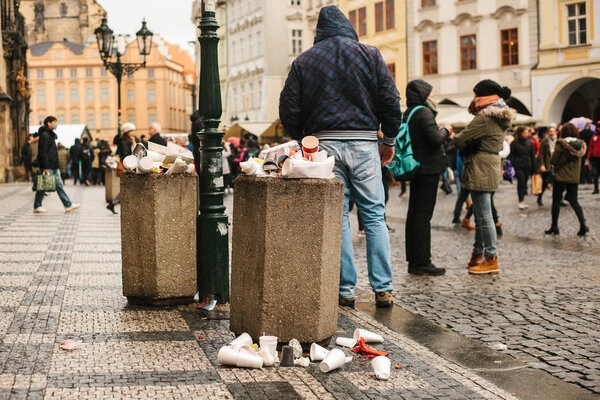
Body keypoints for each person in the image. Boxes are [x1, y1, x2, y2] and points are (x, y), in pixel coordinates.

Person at [279, 6, 400, 308]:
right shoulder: (369, 54)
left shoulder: (304, 61)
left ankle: (345, 289)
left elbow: (289, 108)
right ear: (347, 27)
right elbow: (390, 99)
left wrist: (302, 138)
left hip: (323, 145)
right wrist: (389, 138)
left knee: (339, 216)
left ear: (319, 31)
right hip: (363, 142)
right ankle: (383, 288)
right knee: (374, 214)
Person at [454, 80, 513, 275]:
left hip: (480, 168)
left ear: (483, 97)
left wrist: (466, 140)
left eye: (475, 95)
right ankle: (478, 254)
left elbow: (460, 140)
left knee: (485, 217)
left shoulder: (485, 117)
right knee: (481, 216)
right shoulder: (497, 116)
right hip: (490, 166)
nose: (474, 99)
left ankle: (491, 258)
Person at [403, 80, 452, 276]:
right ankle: (423, 261)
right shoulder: (424, 112)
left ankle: (413, 261)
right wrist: (445, 131)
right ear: (423, 94)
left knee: (414, 214)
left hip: (415, 169)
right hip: (428, 170)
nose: (432, 97)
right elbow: (435, 140)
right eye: (429, 93)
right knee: (423, 216)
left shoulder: (409, 113)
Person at [545, 123, 588, 236]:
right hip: (574, 178)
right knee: (574, 201)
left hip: (560, 177)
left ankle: (554, 226)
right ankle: (582, 223)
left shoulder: (561, 144)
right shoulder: (581, 145)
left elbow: (553, 161)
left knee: (556, 201)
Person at [33, 116, 80, 213]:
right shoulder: (45, 135)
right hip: (49, 165)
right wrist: (45, 167)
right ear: (49, 123)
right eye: (54, 122)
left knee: (50, 185)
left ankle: (38, 205)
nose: (56, 124)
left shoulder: (49, 135)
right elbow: (43, 152)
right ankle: (67, 204)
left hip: (53, 165)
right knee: (45, 185)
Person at [509, 126, 537, 209]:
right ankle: (520, 201)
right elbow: (511, 155)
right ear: (520, 133)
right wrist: (514, 163)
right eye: (525, 133)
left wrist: (535, 168)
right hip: (519, 166)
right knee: (521, 182)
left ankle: (522, 200)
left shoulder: (529, 142)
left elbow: (532, 155)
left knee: (524, 183)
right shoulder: (514, 143)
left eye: (527, 133)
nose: (526, 134)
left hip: (528, 165)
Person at [537, 125, 557, 206]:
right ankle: (539, 197)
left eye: (553, 131)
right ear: (548, 132)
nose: (551, 133)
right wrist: (542, 165)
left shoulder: (558, 141)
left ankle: (558, 199)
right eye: (550, 131)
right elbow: (541, 154)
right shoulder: (544, 142)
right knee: (545, 183)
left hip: (555, 165)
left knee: (557, 184)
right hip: (547, 164)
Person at [588, 126, 600, 194]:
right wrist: (589, 157)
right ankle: (596, 189)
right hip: (595, 158)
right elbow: (590, 147)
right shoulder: (594, 137)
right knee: (595, 175)